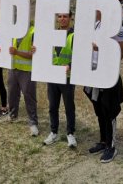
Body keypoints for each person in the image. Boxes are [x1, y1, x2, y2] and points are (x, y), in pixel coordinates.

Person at [84, 10, 123, 163]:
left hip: (109, 74)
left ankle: (111, 146)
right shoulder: (94, 25)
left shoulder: (118, 29)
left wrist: (101, 48)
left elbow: (120, 54)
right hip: (94, 73)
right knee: (99, 108)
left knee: (110, 109)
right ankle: (103, 141)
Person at [41, 11, 77, 148]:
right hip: (52, 76)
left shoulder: (74, 36)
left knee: (69, 106)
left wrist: (70, 65)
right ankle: (54, 132)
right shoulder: (52, 35)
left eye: (65, 16)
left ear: (70, 18)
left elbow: (80, 55)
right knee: (52, 106)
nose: (62, 19)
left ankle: (70, 134)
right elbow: (45, 52)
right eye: (60, 16)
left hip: (67, 77)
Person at [4, 25, 39, 137]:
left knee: (29, 96)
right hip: (13, 68)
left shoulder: (33, 31)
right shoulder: (14, 30)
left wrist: (17, 53)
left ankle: (33, 123)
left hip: (27, 71)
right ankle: (12, 115)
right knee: (12, 93)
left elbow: (35, 55)